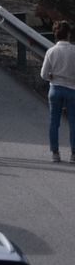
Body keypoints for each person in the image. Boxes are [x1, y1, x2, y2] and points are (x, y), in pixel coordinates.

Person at [42, 21, 75, 162]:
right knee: (73, 123)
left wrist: (51, 76)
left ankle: (55, 152)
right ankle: (74, 154)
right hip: (72, 89)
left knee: (54, 122)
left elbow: (43, 74)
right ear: (68, 34)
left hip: (55, 88)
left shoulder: (51, 51)